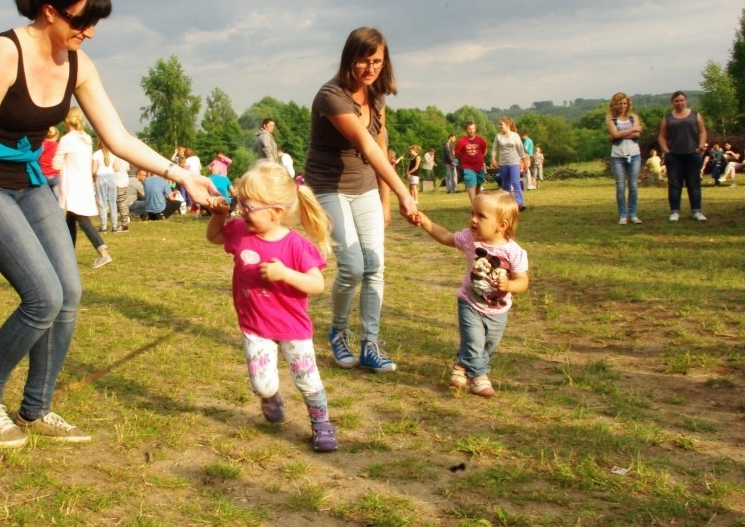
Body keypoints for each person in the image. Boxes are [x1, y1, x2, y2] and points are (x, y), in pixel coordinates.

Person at [0, 0, 216, 450]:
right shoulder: (5, 52)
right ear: (49, 12)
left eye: (93, 25)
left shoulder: (78, 63)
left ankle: (36, 407)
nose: (87, 33)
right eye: (79, 23)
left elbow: (118, 137)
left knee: (69, 294)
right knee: (43, 297)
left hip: (31, 182)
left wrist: (182, 176)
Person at [305, 27, 419, 374]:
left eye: (378, 62)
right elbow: (367, 147)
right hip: (328, 186)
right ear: (350, 57)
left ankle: (371, 342)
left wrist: (385, 200)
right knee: (353, 266)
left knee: (375, 265)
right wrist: (404, 193)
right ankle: (338, 331)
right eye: (364, 61)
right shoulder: (331, 96)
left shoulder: (376, 94)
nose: (371, 68)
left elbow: (381, 145)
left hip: (366, 186)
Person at [205, 161, 338, 452]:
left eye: (248, 208)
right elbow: (214, 237)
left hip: (292, 327)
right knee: (262, 385)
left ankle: (321, 423)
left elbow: (317, 285)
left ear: (276, 212)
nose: (241, 213)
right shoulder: (240, 230)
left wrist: (286, 274)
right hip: (255, 325)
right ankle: (270, 396)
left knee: (307, 380)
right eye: (239, 205)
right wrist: (220, 215)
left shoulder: (296, 245)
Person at [414, 191, 529, 397]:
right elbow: (446, 237)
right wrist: (426, 222)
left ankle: (461, 366)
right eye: (472, 213)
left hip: (498, 309)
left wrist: (509, 285)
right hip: (470, 302)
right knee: (474, 341)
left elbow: (523, 281)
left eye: (481, 216)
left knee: (488, 345)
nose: (473, 220)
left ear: (502, 225)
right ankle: (480, 378)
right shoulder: (469, 239)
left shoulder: (514, 252)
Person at [53, 108, 112, 268]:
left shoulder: (67, 139)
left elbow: (56, 163)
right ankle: (68, 257)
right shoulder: (86, 139)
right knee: (70, 219)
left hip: (71, 185)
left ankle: (103, 252)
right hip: (83, 183)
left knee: (82, 220)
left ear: (66, 121)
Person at [657, 91, 708, 222]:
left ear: (686, 101)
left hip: (693, 154)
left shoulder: (695, 115)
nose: (679, 103)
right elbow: (662, 136)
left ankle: (696, 211)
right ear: (672, 103)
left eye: (681, 100)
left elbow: (702, 131)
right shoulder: (668, 117)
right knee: (674, 184)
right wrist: (666, 150)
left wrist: (701, 146)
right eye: (676, 101)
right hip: (674, 156)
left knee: (694, 184)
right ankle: (675, 212)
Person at [606, 92, 643, 224]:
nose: (622, 106)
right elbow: (614, 134)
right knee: (620, 186)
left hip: (634, 155)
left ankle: (633, 214)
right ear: (615, 104)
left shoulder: (634, 117)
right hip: (618, 156)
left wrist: (619, 135)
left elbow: (637, 134)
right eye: (620, 103)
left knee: (633, 186)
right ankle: (623, 214)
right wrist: (631, 131)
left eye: (625, 103)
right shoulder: (611, 119)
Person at [490, 117, 527, 211]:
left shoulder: (515, 136)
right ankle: (508, 204)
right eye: (499, 124)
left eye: (501, 124)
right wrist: (493, 158)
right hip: (503, 163)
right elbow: (494, 148)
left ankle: (520, 203)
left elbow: (520, 149)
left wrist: (524, 161)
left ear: (507, 125)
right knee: (505, 184)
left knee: (515, 182)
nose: (499, 126)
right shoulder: (498, 136)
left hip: (514, 162)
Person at [456, 122, 488, 205]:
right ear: (466, 130)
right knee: (471, 185)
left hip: (479, 167)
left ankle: (477, 204)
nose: (472, 131)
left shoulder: (481, 140)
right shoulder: (461, 141)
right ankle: (474, 205)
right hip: (468, 168)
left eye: (473, 128)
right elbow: (457, 153)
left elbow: (484, 151)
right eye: (469, 129)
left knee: (478, 186)